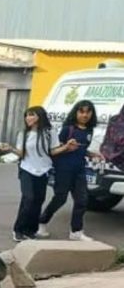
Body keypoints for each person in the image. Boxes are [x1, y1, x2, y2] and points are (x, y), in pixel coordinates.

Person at [37, 100, 103, 241]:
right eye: (82, 111)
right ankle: (42, 222)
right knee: (60, 198)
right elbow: (57, 148)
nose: (85, 115)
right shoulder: (68, 129)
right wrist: (67, 146)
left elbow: (82, 148)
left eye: (88, 112)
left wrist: (92, 154)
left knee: (82, 200)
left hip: (79, 169)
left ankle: (76, 231)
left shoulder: (89, 130)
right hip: (64, 168)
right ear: (76, 112)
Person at [8, 106, 71, 242]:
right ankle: (18, 230)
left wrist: (65, 147)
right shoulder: (23, 133)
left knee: (38, 201)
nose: (28, 118)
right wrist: (10, 149)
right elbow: (21, 153)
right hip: (27, 169)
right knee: (28, 198)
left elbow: (53, 151)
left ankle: (31, 230)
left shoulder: (49, 132)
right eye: (27, 115)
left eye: (32, 115)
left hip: (43, 171)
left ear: (40, 116)